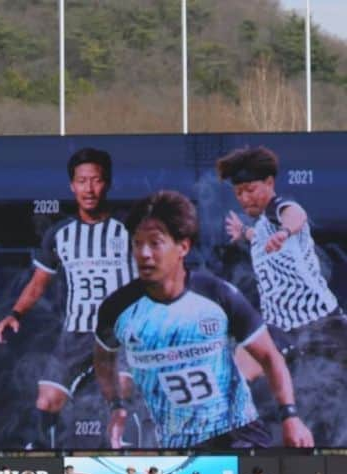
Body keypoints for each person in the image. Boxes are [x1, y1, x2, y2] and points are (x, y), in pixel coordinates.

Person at [94, 190, 313, 449]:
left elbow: (269, 356)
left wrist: (290, 416)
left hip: (238, 433)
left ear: (183, 247)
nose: (144, 254)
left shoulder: (217, 295)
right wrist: (116, 405)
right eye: (137, 243)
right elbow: (103, 358)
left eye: (155, 243)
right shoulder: (117, 309)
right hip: (178, 445)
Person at [0, 148, 135, 448]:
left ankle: (133, 460)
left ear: (107, 183)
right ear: (72, 186)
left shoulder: (129, 230)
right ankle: (45, 463)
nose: (89, 188)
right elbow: (38, 283)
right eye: (82, 181)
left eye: (96, 180)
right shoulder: (60, 235)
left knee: (123, 393)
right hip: (77, 334)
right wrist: (15, 314)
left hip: (125, 331)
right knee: (46, 401)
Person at [217, 147, 347, 361]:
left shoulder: (279, 209)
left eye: (250, 189)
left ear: (269, 183)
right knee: (244, 364)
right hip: (282, 330)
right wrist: (242, 231)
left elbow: (296, 214)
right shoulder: (262, 226)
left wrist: (285, 233)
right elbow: (258, 237)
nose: (244, 198)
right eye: (238, 192)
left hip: (320, 323)